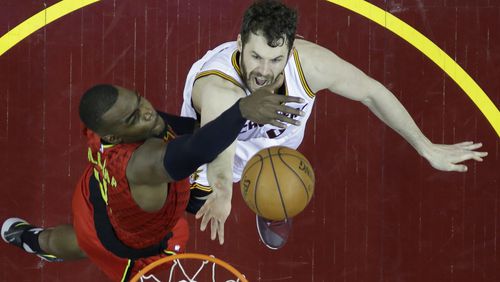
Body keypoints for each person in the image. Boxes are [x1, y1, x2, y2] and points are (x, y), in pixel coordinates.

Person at [180, 0, 489, 250]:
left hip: (278, 146)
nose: (263, 70)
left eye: (276, 59)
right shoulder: (219, 89)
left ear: (290, 51)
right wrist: (223, 192)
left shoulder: (310, 65)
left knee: (279, 183)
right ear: (239, 45)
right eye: (256, 56)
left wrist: (426, 147)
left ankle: (271, 195)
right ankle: (254, 190)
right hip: (214, 140)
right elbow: (219, 152)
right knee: (194, 204)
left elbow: (371, 93)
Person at [1, 83, 303, 280]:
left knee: (82, 238)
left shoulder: (110, 127)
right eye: (134, 117)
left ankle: (35, 239)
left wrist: (233, 126)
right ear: (116, 136)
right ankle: (37, 242)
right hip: (128, 242)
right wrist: (241, 111)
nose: (147, 112)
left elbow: (187, 129)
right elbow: (197, 148)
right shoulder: (142, 163)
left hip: (96, 194)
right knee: (85, 244)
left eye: (139, 100)